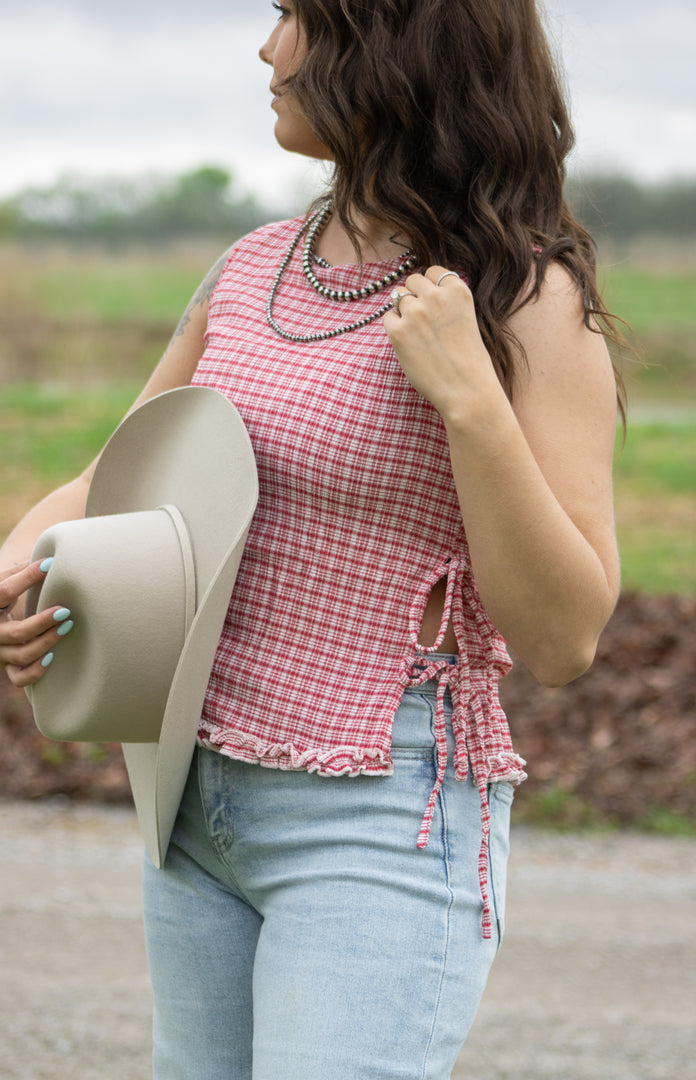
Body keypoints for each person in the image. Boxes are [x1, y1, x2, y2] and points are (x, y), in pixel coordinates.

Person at [0, 1, 624, 1077]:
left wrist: (471, 402)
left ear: (394, 46)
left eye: (294, 16)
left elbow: (565, 637)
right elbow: (112, 477)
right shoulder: (250, 267)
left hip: (380, 825)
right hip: (193, 802)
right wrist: (16, 566)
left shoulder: (527, 297)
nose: (267, 48)